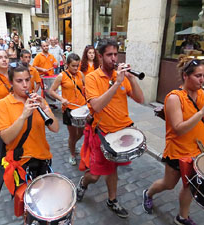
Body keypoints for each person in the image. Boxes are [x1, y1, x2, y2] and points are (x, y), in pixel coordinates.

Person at [142, 55, 204, 225]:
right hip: (178, 151)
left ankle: (182, 217)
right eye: (198, 76)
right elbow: (178, 129)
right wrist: (201, 112)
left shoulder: (202, 95)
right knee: (168, 184)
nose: (202, 80)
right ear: (186, 76)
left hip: (200, 149)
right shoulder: (174, 98)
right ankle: (148, 193)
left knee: (190, 186)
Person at [76, 39, 144, 218]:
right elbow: (97, 106)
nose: (114, 58)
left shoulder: (121, 75)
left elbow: (140, 99)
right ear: (100, 56)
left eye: (116, 54)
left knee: (113, 169)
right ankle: (83, 182)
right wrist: (116, 84)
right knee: (96, 174)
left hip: (121, 133)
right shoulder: (91, 78)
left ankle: (112, 200)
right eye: (109, 55)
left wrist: (132, 79)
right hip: (102, 134)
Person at [0, 63, 59, 194]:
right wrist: (23, 116)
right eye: (19, 81)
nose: (25, 85)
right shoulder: (2, 105)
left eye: (27, 80)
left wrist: (45, 109)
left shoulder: (38, 100)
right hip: (21, 163)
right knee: (26, 203)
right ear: (11, 82)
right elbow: (6, 138)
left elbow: (55, 128)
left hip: (42, 158)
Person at [49, 53, 86, 166]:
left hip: (82, 107)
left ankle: (72, 144)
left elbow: (86, 88)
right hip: (69, 109)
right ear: (67, 65)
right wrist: (61, 99)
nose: (76, 68)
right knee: (73, 134)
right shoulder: (61, 76)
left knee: (82, 132)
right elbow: (51, 91)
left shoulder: (81, 74)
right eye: (73, 66)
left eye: (77, 65)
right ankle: (72, 154)